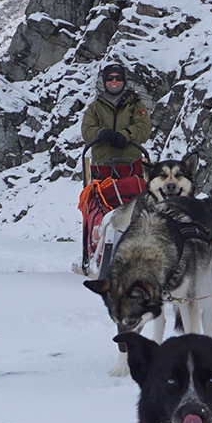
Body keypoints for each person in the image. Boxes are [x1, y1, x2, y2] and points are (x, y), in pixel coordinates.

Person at [75, 65, 156, 274]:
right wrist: (101, 133)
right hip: (102, 170)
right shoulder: (95, 108)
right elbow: (87, 130)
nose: (113, 81)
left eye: (117, 78)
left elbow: (144, 128)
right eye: (109, 78)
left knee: (136, 209)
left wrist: (125, 135)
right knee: (99, 209)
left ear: (123, 81)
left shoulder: (136, 105)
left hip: (131, 168)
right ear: (104, 81)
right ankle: (95, 253)